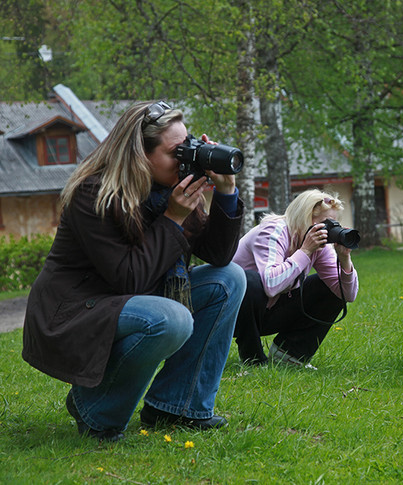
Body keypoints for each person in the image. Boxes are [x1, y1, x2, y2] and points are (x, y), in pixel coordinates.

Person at [22, 101, 247, 442]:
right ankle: (97, 412)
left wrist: (227, 191)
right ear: (141, 155)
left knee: (228, 279)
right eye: (176, 151)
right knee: (171, 318)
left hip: (128, 300)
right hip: (79, 310)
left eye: (188, 145)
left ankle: (178, 406)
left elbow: (218, 255)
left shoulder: (170, 189)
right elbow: (129, 279)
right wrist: (172, 218)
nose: (186, 157)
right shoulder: (93, 193)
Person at [232, 189, 358, 369]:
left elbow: (348, 295)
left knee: (330, 288)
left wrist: (344, 259)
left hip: (269, 311)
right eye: (325, 223)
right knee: (250, 280)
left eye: (333, 223)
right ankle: (253, 359)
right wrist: (305, 252)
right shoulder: (273, 231)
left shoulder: (319, 244)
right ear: (304, 218)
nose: (328, 230)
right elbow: (270, 284)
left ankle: (290, 354)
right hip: (231, 316)